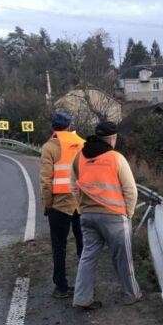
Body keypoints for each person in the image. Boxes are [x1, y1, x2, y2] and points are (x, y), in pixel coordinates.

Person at [71, 120, 142, 310]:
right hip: (114, 217)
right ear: (112, 138)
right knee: (123, 258)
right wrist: (129, 213)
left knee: (88, 257)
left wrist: (82, 208)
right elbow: (131, 191)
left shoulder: (79, 158)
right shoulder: (115, 158)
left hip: (87, 216)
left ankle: (81, 298)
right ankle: (131, 294)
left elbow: (74, 187)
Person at [40, 111, 85, 298]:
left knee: (59, 247)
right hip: (81, 203)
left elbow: (45, 181)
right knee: (84, 247)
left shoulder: (49, 147)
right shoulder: (82, 144)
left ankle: (61, 287)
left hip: (59, 205)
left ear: (53, 127)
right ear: (69, 126)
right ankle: (85, 286)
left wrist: (48, 205)